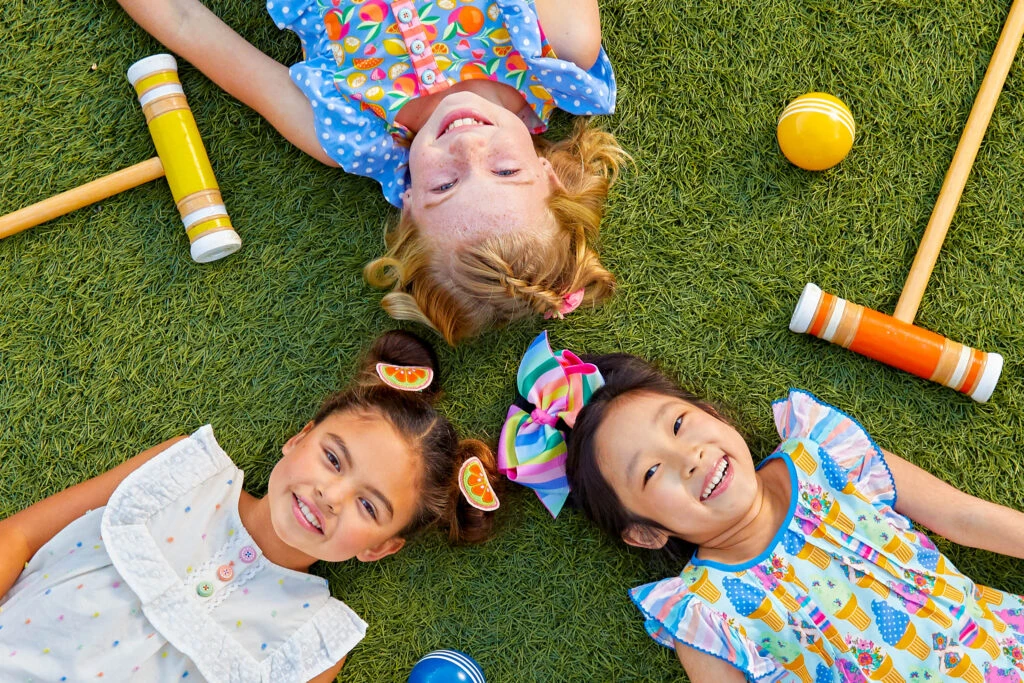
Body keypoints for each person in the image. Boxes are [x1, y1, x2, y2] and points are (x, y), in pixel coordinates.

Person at [498, 331, 1024, 682]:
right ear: (645, 533)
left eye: (679, 425)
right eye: (651, 472)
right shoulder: (706, 615)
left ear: (710, 413)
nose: (690, 459)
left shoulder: (826, 452)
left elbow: (964, 517)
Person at [0, 331, 501, 682]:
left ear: (379, 549)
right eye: (332, 458)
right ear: (297, 438)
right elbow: (19, 537)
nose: (331, 495)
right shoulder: (184, 475)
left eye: (368, 507)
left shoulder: (313, 643)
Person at [114, 0, 627, 343]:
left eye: (444, 186)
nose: (468, 146)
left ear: (408, 203)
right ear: (548, 174)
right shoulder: (555, 50)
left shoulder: (345, 131)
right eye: (506, 169)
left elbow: (187, 24)